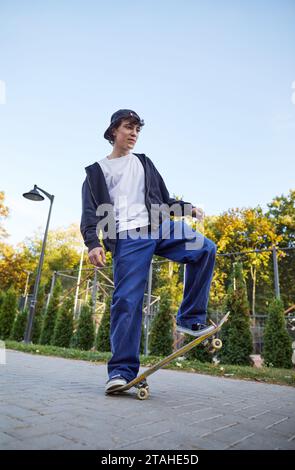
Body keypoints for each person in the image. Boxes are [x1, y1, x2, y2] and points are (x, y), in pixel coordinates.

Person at [80, 109, 217, 394]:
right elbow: (90, 213)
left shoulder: (144, 163)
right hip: (129, 238)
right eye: (128, 128)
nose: (133, 134)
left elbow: (163, 200)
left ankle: (191, 319)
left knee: (204, 248)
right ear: (113, 131)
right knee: (127, 301)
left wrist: (187, 207)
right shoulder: (96, 172)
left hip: (161, 226)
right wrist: (93, 243)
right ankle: (120, 371)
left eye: (137, 130)